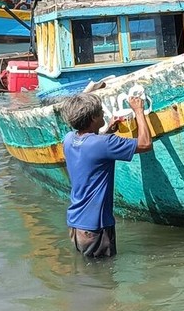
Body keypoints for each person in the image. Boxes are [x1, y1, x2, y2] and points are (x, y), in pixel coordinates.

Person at [59, 92, 153, 258]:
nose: (103, 113)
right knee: (103, 281)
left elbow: (92, 147)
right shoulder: (104, 143)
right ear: (94, 118)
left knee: (89, 275)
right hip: (96, 227)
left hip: (76, 224)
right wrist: (138, 111)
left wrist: (108, 130)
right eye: (101, 111)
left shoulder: (68, 139)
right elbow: (145, 144)